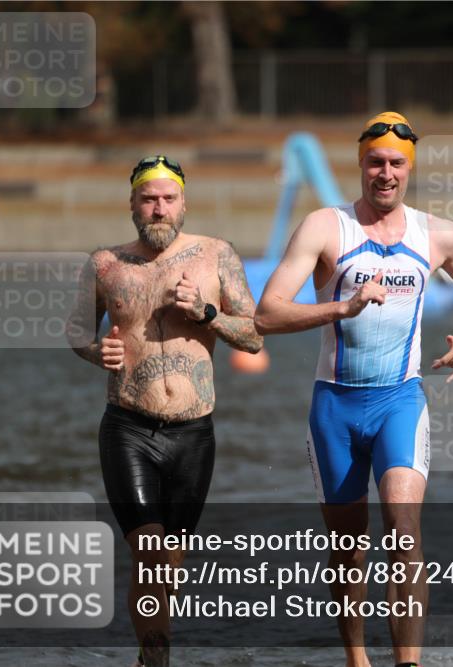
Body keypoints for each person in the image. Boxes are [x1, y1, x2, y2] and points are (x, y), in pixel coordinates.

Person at [254, 112, 453, 667]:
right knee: (348, 549)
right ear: (361, 165)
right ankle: (356, 657)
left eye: (396, 164)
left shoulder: (438, 235)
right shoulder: (324, 228)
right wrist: (342, 307)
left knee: (404, 533)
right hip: (334, 406)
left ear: (410, 169)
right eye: (376, 162)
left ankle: (408, 662)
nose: (386, 173)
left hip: (399, 401)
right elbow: (266, 314)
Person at [68, 155, 263, 667]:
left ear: (183, 203)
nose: (159, 209)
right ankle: (157, 662)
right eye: (149, 199)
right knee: (150, 552)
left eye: (168, 199)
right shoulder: (104, 264)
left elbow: (254, 337)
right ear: (132, 204)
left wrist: (206, 313)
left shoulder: (217, 255)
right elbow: (75, 331)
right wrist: (96, 352)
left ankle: (148, 653)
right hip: (128, 427)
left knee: (169, 566)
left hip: (194, 434)